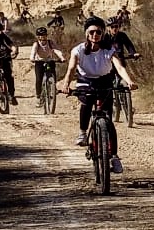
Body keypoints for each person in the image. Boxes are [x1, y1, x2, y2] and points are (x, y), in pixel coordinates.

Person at [60, 16, 137, 174]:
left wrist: (129, 81)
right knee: (87, 102)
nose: (95, 35)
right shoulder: (78, 50)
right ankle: (83, 133)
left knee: (108, 120)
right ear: (86, 34)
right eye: (92, 32)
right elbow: (71, 69)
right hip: (85, 81)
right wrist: (66, 84)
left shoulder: (109, 50)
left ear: (102, 34)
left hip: (104, 81)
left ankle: (114, 156)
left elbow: (119, 67)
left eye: (98, 32)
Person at [29, 26, 64, 104]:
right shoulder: (36, 44)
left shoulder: (50, 43)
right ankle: (38, 96)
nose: (43, 37)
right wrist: (32, 58)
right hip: (39, 62)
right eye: (41, 35)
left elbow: (56, 50)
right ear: (38, 36)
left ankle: (53, 87)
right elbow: (33, 52)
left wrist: (61, 57)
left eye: (44, 35)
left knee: (53, 73)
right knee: (39, 79)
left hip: (49, 60)